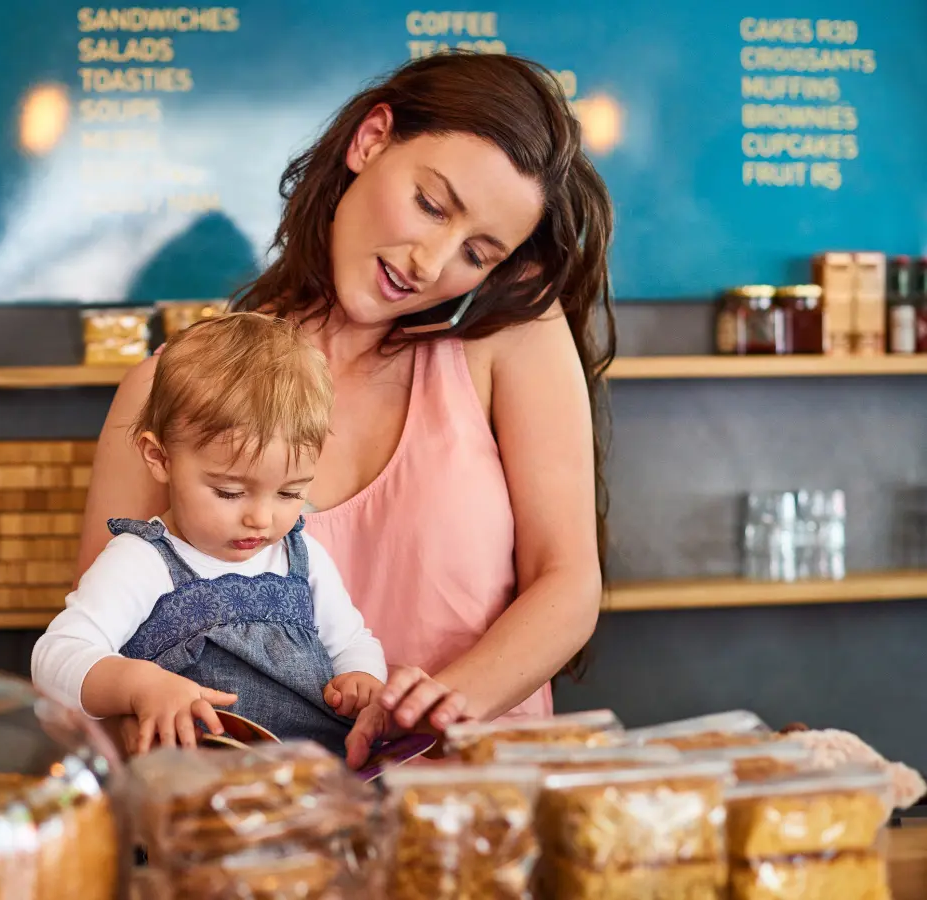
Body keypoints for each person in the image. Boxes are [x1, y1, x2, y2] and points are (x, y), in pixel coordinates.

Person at [76, 51, 614, 768]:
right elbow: (94, 666)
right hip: (261, 830)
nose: (430, 262)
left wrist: (429, 713)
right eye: (431, 204)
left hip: (477, 805)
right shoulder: (164, 392)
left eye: (476, 253)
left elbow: (569, 583)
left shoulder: (511, 337)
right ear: (371, 140)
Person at [32, 313, 387, 758]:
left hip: (313, 782)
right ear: (159, 457)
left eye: (289, 492)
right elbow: (54, 657)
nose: (261, 519)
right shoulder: (142, 561)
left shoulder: (303, 558)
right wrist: (139, 687)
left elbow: (353, 641)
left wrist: (362, 679)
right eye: (229, 491)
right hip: (198, 788)